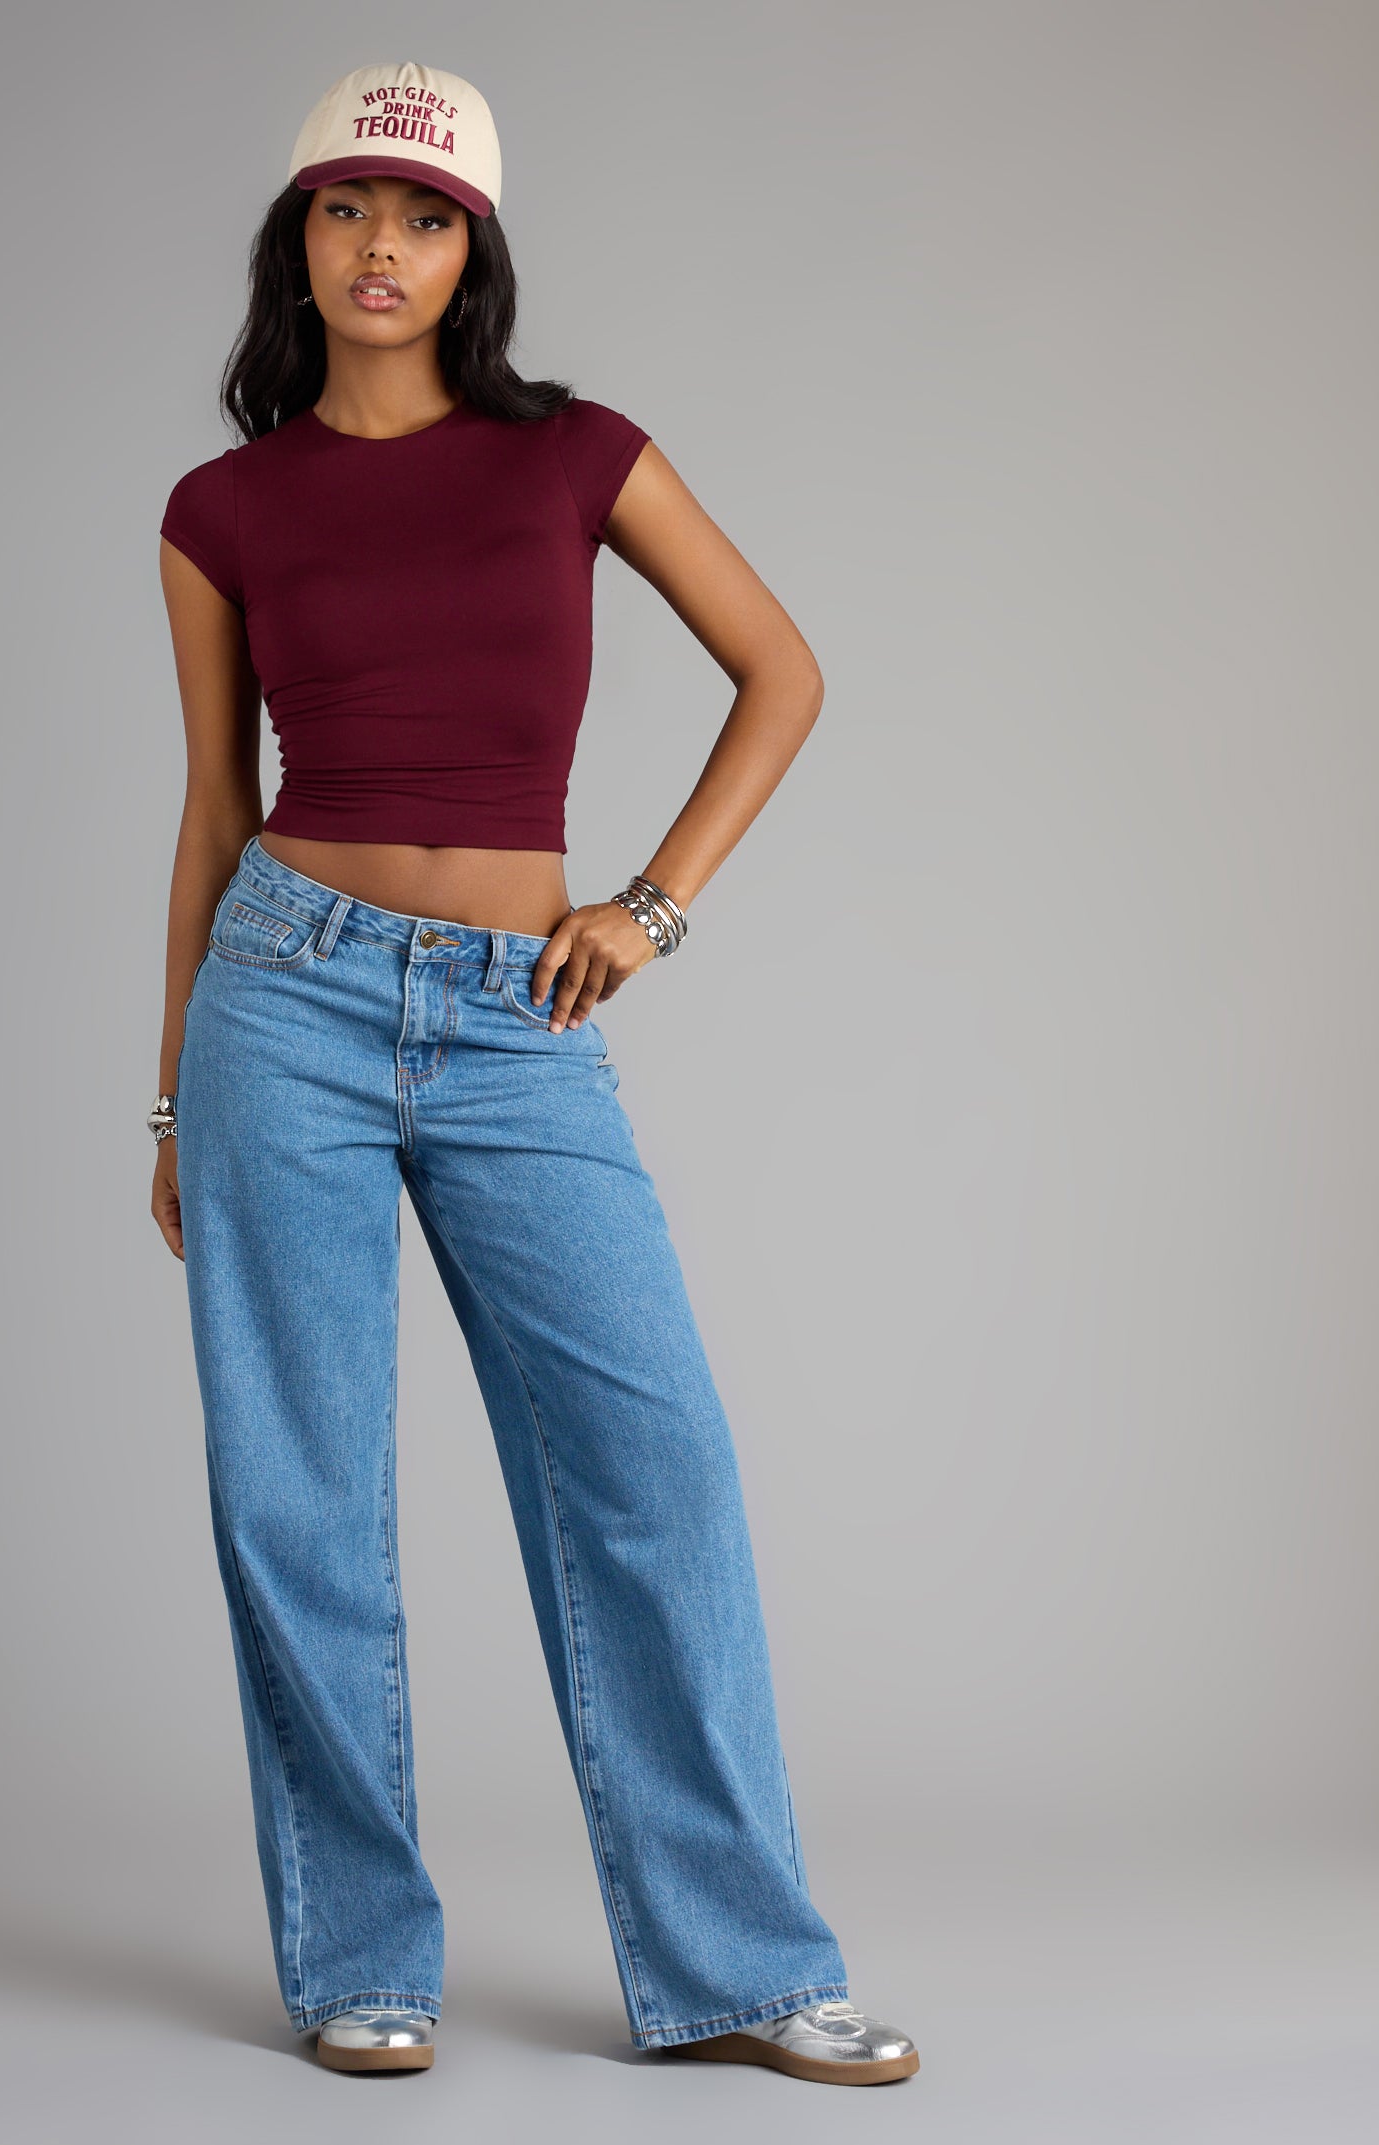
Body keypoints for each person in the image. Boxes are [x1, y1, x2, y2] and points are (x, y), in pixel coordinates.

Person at [149, 61, 919, 2088]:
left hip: (519, 1022)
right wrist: (168, 1095)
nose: (380, 245)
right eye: (345, 207)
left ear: (471, 252)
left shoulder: (577, 456)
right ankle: (358, 1957)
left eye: (423, 216)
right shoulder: (223, 510)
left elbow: (783, 669)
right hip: (281, 999)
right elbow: (214, 808)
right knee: (300, 1494)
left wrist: (650, 908)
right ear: (297, 240)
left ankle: (741, 1962)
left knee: (654, 1465)